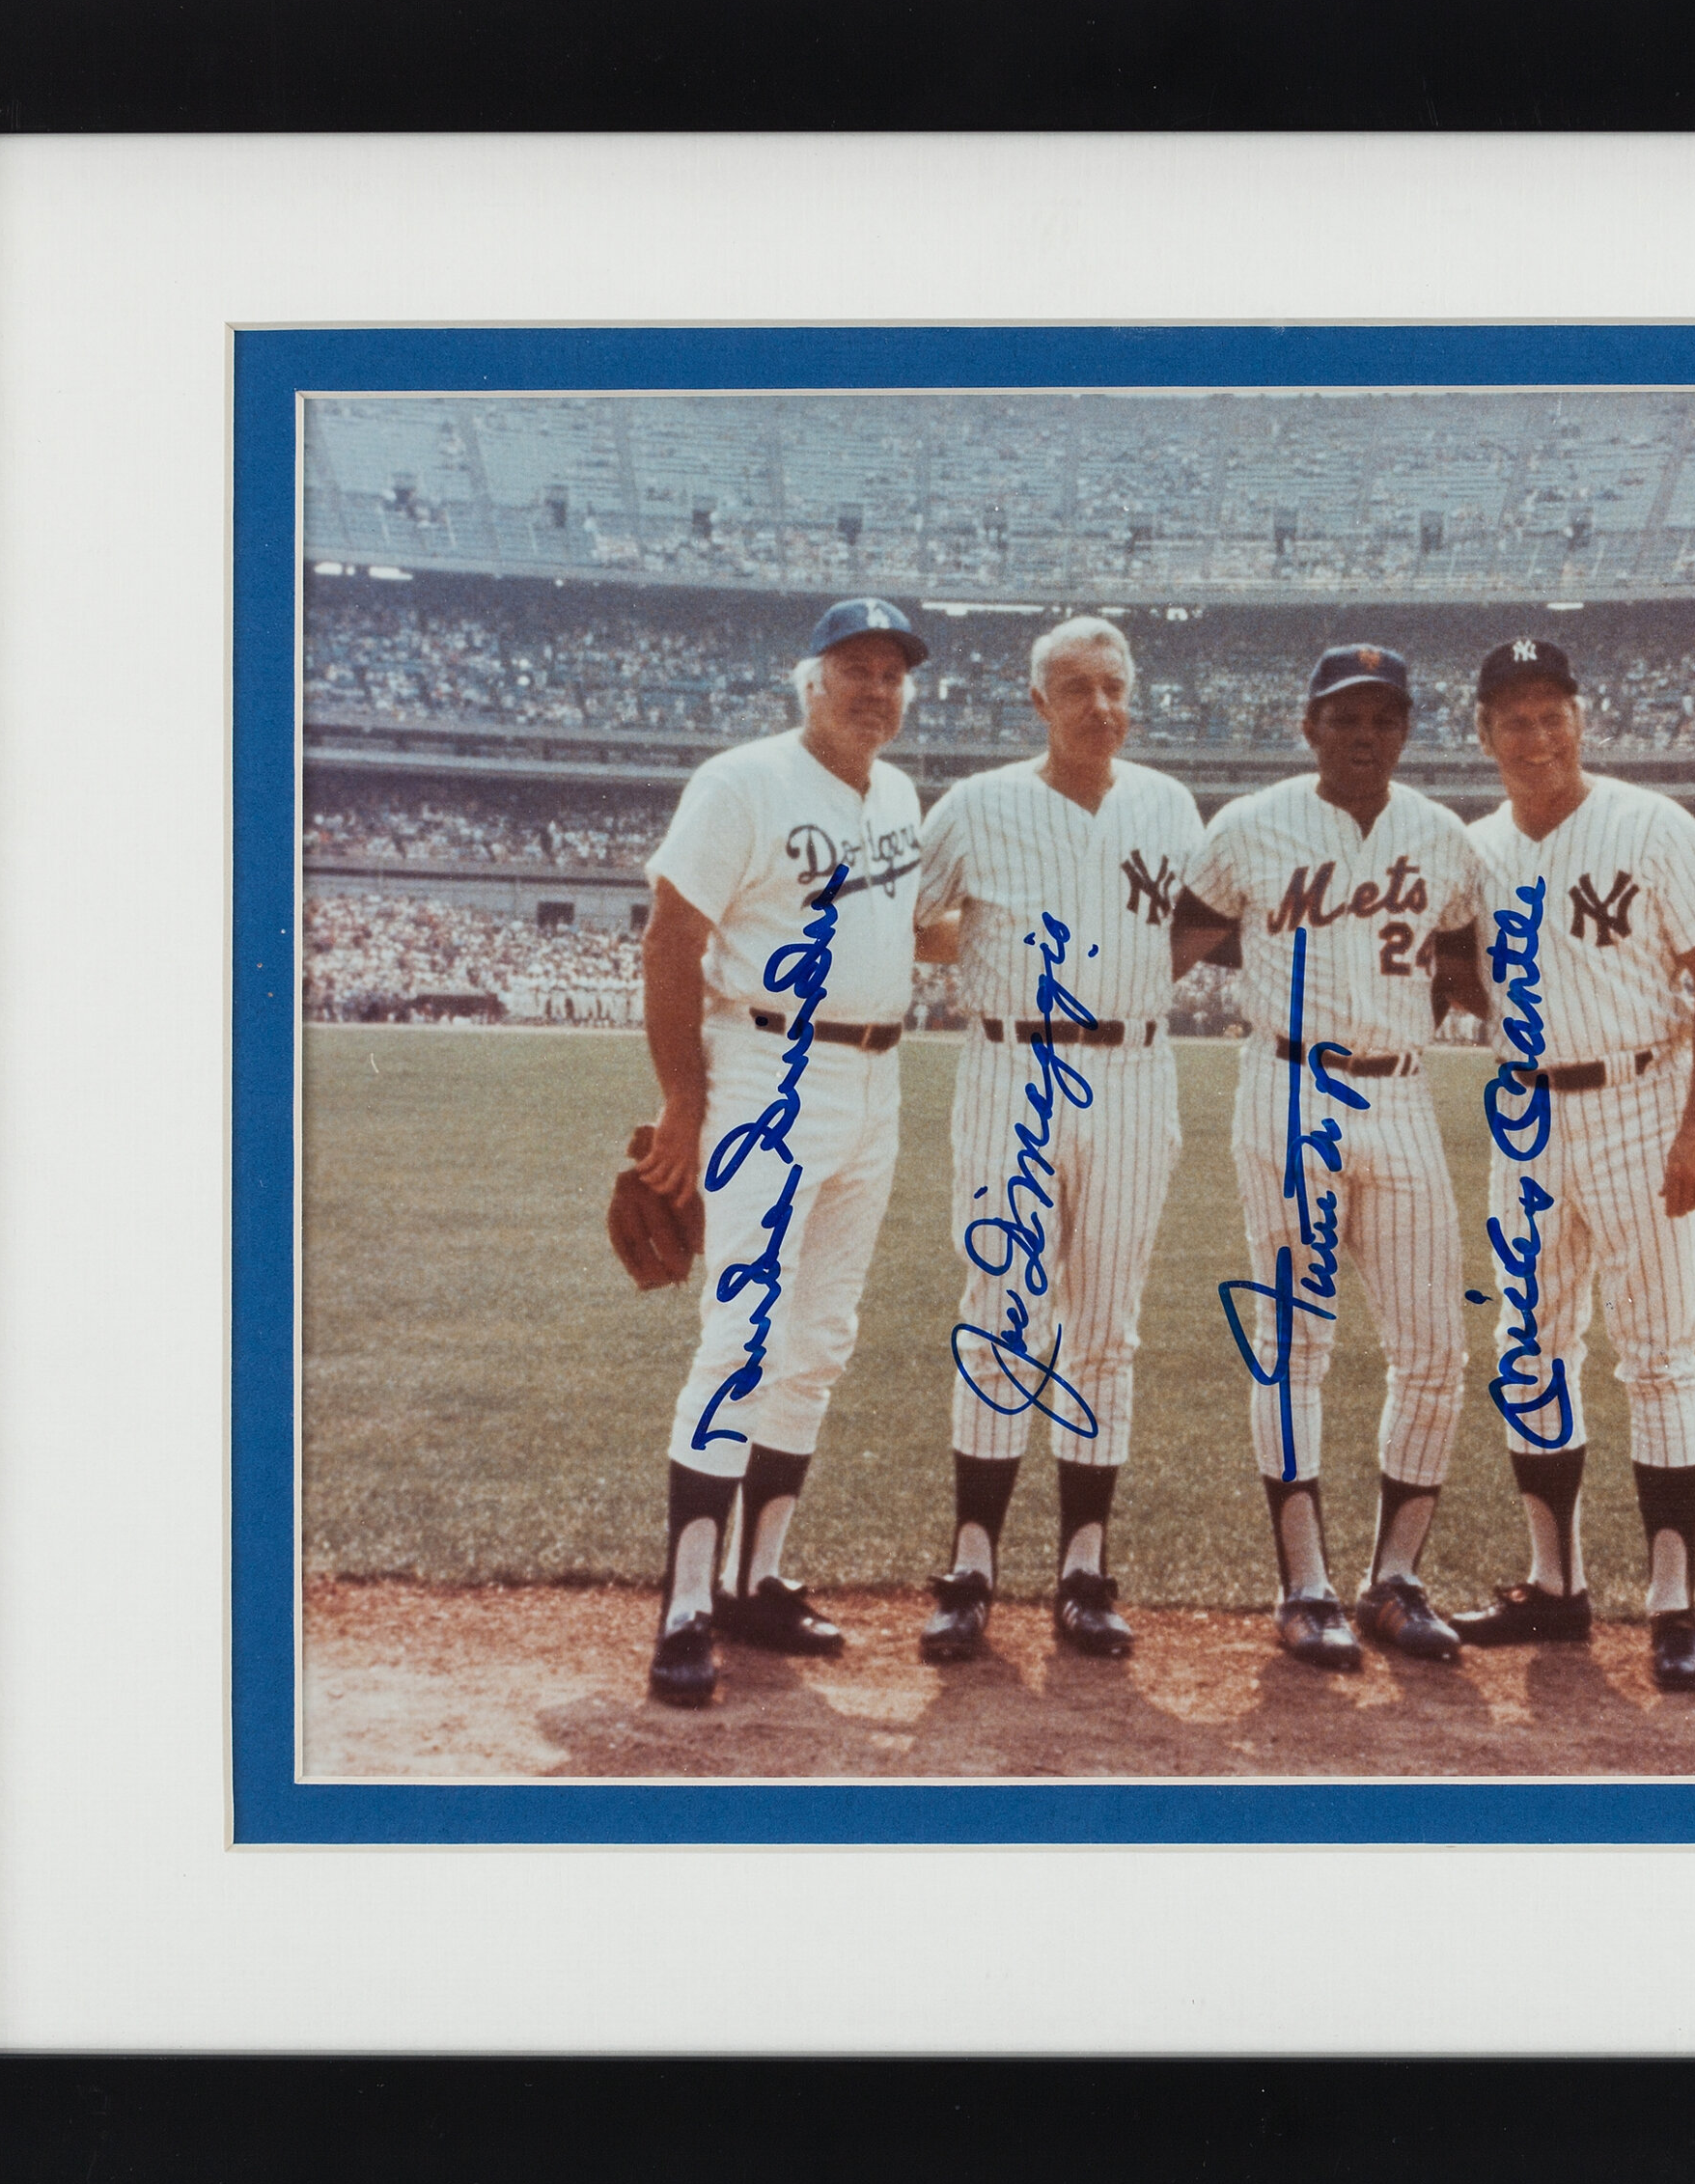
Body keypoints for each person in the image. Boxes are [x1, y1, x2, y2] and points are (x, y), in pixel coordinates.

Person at [629, 597, 931, 1708]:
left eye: (894, 673)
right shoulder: (740, 779)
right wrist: (681, 1098)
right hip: (766, 1067)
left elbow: (893, 930)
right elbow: (672, 935)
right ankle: (689, 1600)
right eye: (854, 667)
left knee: (822, 1335)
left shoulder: (897, 793)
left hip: (875, 1077)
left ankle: (759, 1578)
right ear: (807, 679)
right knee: (743, 1330)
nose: (875, 688)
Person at [1171, 645, 1487, 1671]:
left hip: (1400, 1089)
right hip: (1289, 1084)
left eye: (1385, 717)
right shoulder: (1250, 826)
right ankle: (1304, 1584)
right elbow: (1172, 946)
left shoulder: (1444, 838)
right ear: (1308, 725)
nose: (1364, 734)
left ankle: (1395, 1579)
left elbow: (1472, 970)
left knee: (1437, 1347)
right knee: (1296, 1340)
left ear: (1406, 730)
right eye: (1344, 716)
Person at [906, 617, 1207, 1662]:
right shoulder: (978, 803)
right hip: (1011, 1064)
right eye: (1074, 688)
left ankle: (1085, 1566)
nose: (1100, 707)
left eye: (1114, 686)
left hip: (1131, 1068)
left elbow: (1201, 919)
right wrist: (980, 937)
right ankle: (972, 1563)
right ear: (1037, 702)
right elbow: (905, 917)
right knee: (999, 1310)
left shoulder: (1168, 802)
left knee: (1106, 1323)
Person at [1450, 638, 1695, 1690]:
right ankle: (1556, 1585)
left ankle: (1673, 1603)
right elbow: (1451, 964)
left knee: (1661, 1352)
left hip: (1638, 1099)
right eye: (1514, 717)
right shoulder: (1472, 849)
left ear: (1582, 717)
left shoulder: (1652, 824)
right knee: (1529, 1344)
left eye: (1553, 712)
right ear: (1482, 733)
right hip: (1527, 1111)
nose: (1537, 735)